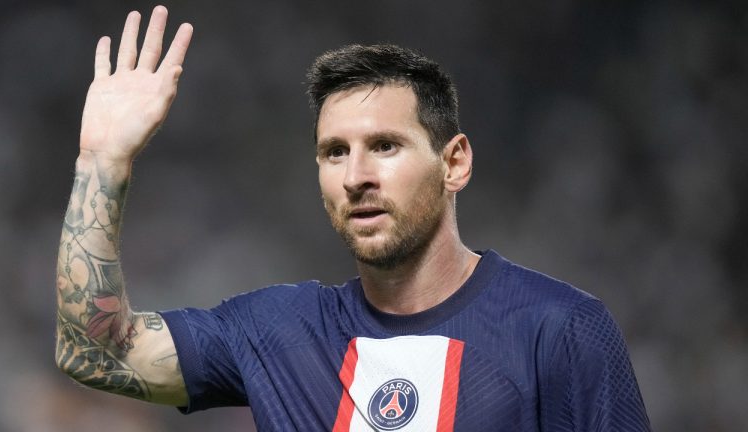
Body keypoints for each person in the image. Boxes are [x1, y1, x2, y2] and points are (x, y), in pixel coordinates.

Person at [55, 5, 651, 431]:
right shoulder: (277, 333)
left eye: (385, 146)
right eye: (334, 152)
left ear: (455, 162)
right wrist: (102, 161)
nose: (355, 175)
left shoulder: (561, 330)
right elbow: (94, 354)